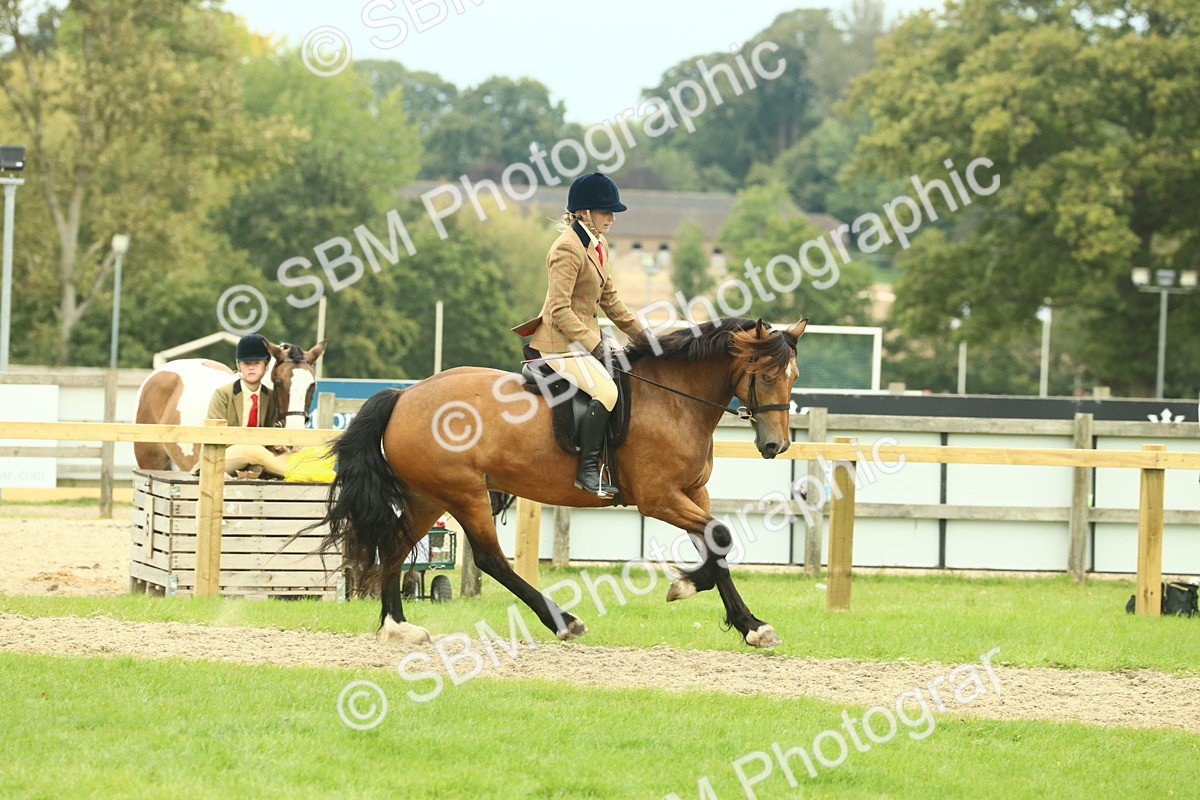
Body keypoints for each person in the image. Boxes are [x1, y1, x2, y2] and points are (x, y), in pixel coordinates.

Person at [512, 172, 645, 498]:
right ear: (585, 213)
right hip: (558, 345)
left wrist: (645, 336)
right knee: (608, 392)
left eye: (613, 212)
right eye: (605, 212)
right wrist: (595, 345)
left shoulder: (598, 244)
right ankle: (586, 471)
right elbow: (558, 310)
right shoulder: (567, 249)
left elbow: (609, 299)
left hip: (582, 339)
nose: (612, 218)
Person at [207, 333, 279, 430]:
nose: (251, 368)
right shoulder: (223, 395)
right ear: (238, 365)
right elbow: (212, 434)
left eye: (257, 363)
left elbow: (273, 435)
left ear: (266, 366)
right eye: (246, 363)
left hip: (261, 445)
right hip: (228, 444)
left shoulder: (272, 398)